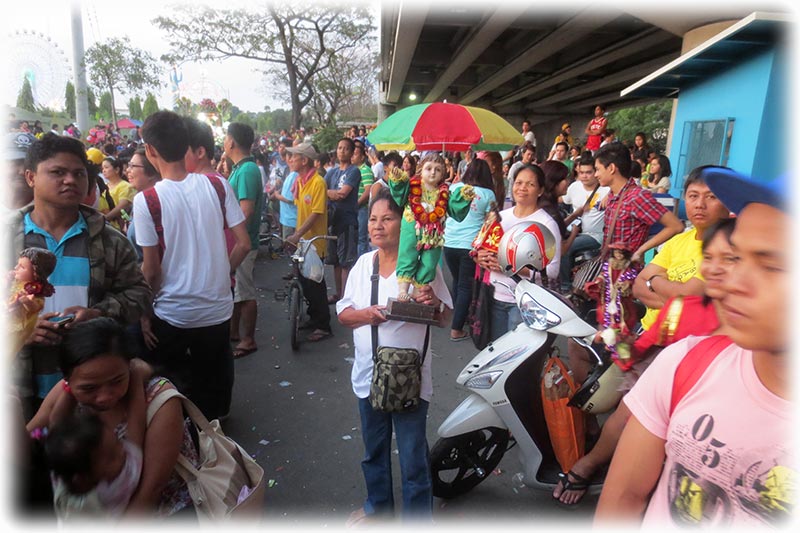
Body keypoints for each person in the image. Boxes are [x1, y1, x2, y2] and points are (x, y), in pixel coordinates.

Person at [595, 169, 791, 527]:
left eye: (772, 265)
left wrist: (654, 287)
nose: (730, 282)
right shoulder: (687, 361)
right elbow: (623, 498)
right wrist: (613, 336)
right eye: (739, 258)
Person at [554, 219, 737, 506]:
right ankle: (590, 464)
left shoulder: (761, 334)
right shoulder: (681, 309)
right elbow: (638, 350)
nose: (713, 268)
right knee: (630, 414)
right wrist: (615, 335)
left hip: (718, 430)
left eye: (730, 259)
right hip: (670, 400)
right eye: (709, 257)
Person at [9, 134, 150, 419]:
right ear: (30, 177)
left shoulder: (110, 241)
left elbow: (140, 295)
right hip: (19, 391)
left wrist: (96, 314)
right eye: (58, 172)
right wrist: (20, 330)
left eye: (78, 173)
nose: (70, 180)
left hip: (93, 394)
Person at [337, 187, 453, 525]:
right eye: (373, 219)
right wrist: (369, 314)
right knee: (374, 451)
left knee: (413, 456)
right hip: (367, 377)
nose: (377, 226)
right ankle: (378, 508)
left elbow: (445, 318)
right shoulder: (362, 265)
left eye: (387, 218)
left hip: (410, 380)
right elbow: (344, 314)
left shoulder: (424, 268)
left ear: (405, 224)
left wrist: (433, 303)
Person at [133, 111, 250, 420]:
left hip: (173, 314)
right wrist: (220, 273)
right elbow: (244, 242)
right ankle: (216, 444)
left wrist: (144, 314)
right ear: (186, 145)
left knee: (170, 388)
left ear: (151, 151)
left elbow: (152, 270)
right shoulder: (217, 185)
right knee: (214, 385)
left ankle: (181, 443)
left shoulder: (147, 200)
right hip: (217, 308)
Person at [26, 317, 199, 517]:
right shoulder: (68, 392)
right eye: (89, 388)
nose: (104, 397)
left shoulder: (160, 402)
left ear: (129, 366)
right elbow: (30, 438)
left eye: (117, 381)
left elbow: (148, 494)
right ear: (67, 379)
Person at [633, 166, 731, 332]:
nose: (700, 204)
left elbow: (686, 297)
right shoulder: (679, 240)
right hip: (648, 330)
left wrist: (655, 281)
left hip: (684, 340)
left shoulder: (728, 247)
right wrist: (676, 298)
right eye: (693, 196)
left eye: (711, 196)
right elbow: (638, 286)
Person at [473, 164, 561, 341]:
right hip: (495, 296)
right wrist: (479, 258)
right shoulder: (500, 217)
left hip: (525, 303)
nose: (522, 188)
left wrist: (510, 267)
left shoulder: (546, 224)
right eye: (519, 182)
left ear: (540, 190)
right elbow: (479, 247)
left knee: (517, 362)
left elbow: (552, 270)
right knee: (496, 356)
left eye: (530, 184)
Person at [387, 153, 474, 301]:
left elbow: (455, 208)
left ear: (443, 174)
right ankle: (403, 289)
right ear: (421, 169)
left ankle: (419, 289)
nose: (433, 172)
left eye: (438, 169)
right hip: (412, 226)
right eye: (429, 168)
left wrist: (464, 195)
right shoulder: (412, 184)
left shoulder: (445, 192)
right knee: (407, 255)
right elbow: (398, 193)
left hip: (434, 233)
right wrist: (397, 178)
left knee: (430, 261)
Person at [442, 158, 496, 341]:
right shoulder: (488, 194)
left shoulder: (454, 188)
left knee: (458, 282)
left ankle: (460, 316)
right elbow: (491, 222)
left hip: (448, 242)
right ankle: (456, 329)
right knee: (465, 285)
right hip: (469, 246)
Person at [224, 123, 264, 359]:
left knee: (245, 291)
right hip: (238, 241)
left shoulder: (248, 170)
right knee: (238, 289)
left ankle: (248, 339)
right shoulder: (240, 168)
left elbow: (246, 211)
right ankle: (234, 333)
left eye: (226, 139)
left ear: (231, 142)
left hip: (244, 242)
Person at [285, 142, 332, 342]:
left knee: (315, 286)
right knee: (306, 282)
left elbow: (315, 213)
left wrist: (297, 235)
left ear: (304, 160)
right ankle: (314, 319)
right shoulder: (301, 181)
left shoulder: (318, 182)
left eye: (294, 157)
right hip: (303, 241)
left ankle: (323, 325)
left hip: (314, 242)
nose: (290, 160)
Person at [559, 153, 609, 292]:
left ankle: (565, 287)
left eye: (588, 172)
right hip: (575, 231)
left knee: (566, 248)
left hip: (595, 236)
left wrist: (610, 196)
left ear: (595, 173)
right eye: (581, 172)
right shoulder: (574, 187)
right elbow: (563, 200)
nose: (584, 176)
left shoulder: (607, 189)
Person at [325, 138, 361, 304]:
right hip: (333, 221)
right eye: (339, 148)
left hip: (347, 221)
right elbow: (321, 189)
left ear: (352, 152)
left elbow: (343, 194)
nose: (342, 151)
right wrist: (332, 193)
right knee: (335, 262)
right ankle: (339, 293)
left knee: (346, 262)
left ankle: (346, 298)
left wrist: (329, 193)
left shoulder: (354, 171)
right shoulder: (332, 172)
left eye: (346, 149)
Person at [125, 148, 160, 263]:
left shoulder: (155, 204)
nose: (127, 170)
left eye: (132, 166)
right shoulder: (139, 200)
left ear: (151, 173)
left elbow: (151, 267)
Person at [101, 157, 137, 231]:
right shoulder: (104, 186)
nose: (103, 170)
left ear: (117, 170)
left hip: (118, 227)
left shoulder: (125, 186)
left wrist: (105, 219)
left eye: (106, 167)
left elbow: (122, 206)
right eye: (102, 168)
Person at [353, 139, 375, 256]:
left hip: (361, 209)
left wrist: (356, 205)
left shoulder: (365, 170)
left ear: (362, 157)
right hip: (355, 209)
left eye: (355, 155)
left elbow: (368, 190)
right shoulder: (353, 170)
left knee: (361, 239)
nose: (352, 157)